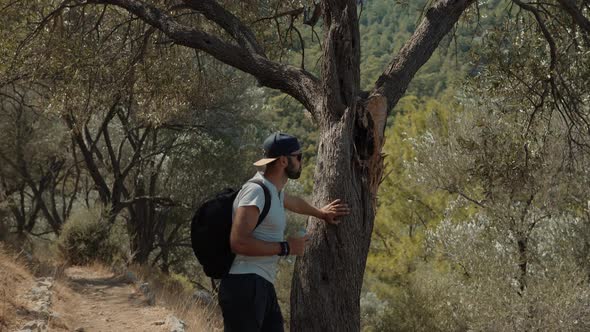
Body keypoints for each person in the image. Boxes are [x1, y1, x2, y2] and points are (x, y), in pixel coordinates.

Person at [218, 132, 350, 332]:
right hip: (244, 284)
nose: (301, 161)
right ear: (282, 161)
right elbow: (238, 242)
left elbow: (294, 202)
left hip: (261, 284)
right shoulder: (256, 191)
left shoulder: (273, 191)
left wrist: (321, 213)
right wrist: (286, 247)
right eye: (298, 157)